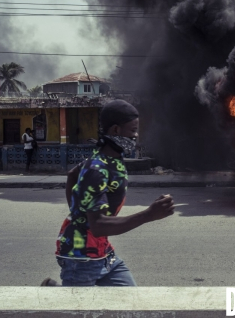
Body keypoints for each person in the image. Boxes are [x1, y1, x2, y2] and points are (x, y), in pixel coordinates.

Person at [42, 99, 174, 287]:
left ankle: (54, 290)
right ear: (115, 130)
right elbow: (99, 225)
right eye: (133, 130)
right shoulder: (98, 169)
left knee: (130, 302)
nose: (136, 135)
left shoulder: (108, 159)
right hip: (81, 258)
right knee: (75, 310)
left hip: (104, 253)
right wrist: (149, 215)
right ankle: (53, 293)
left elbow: (72, 174)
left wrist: (77, 211)